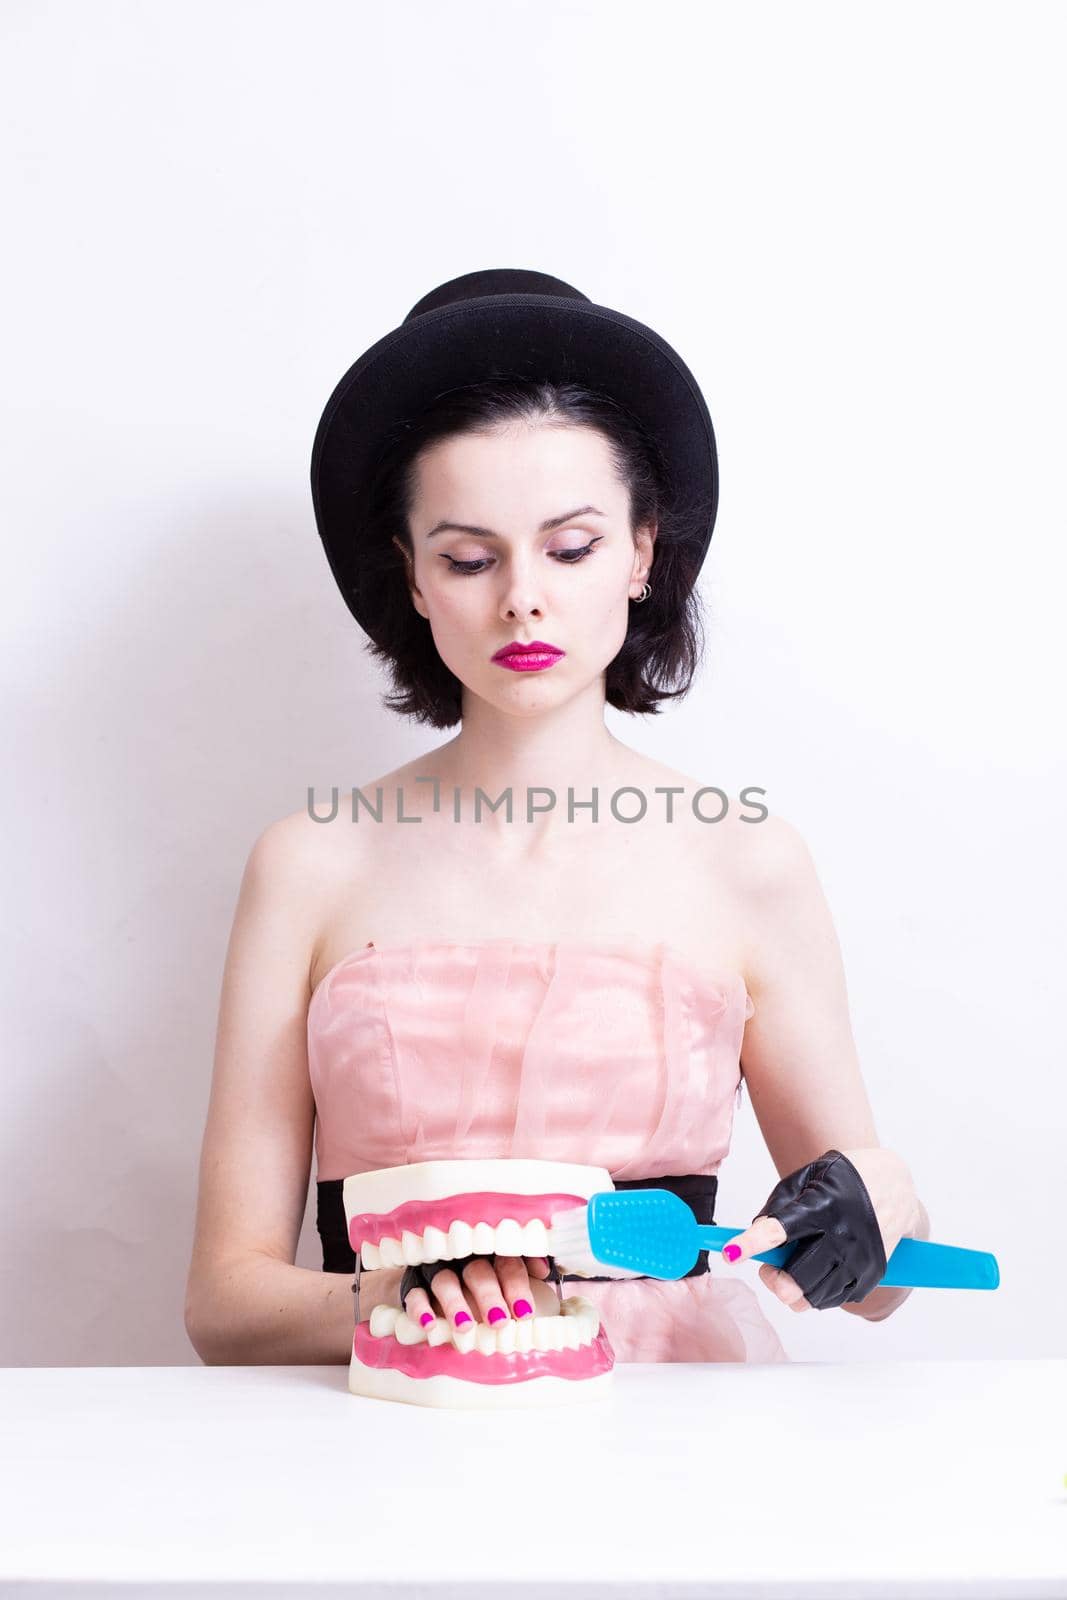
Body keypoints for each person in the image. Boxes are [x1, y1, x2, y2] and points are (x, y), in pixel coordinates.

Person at [183, 269, 929, 1367]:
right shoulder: (310, 863)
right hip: (383, 1448)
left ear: (639, 551)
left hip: (683, 1452)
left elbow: (873, 1281)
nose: (519, 596)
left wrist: (882, 1198)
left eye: (569, 547)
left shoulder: (745, 859)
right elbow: (224, 1301)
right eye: (468, 557)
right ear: (413, 577)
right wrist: (398, 1299)